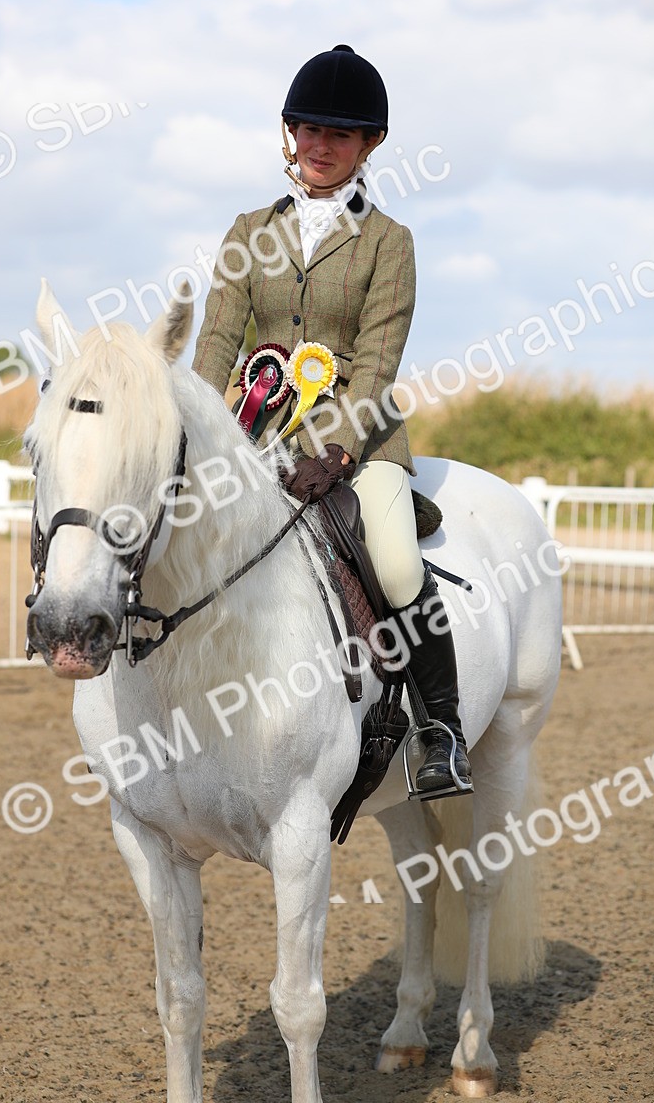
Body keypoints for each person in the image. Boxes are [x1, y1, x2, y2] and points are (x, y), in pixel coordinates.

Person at [192, 44, 471, 798]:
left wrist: (341, 449)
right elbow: (219, 337)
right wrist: (188, 428)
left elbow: (379, 362)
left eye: (339, 136)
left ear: (369, 145)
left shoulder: (390, 243)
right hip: (255, 431)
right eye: (309, 130)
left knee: (398, 561)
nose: (320, 147)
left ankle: (441, 730)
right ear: (290, 134)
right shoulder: (250, 229)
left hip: (360, 438)